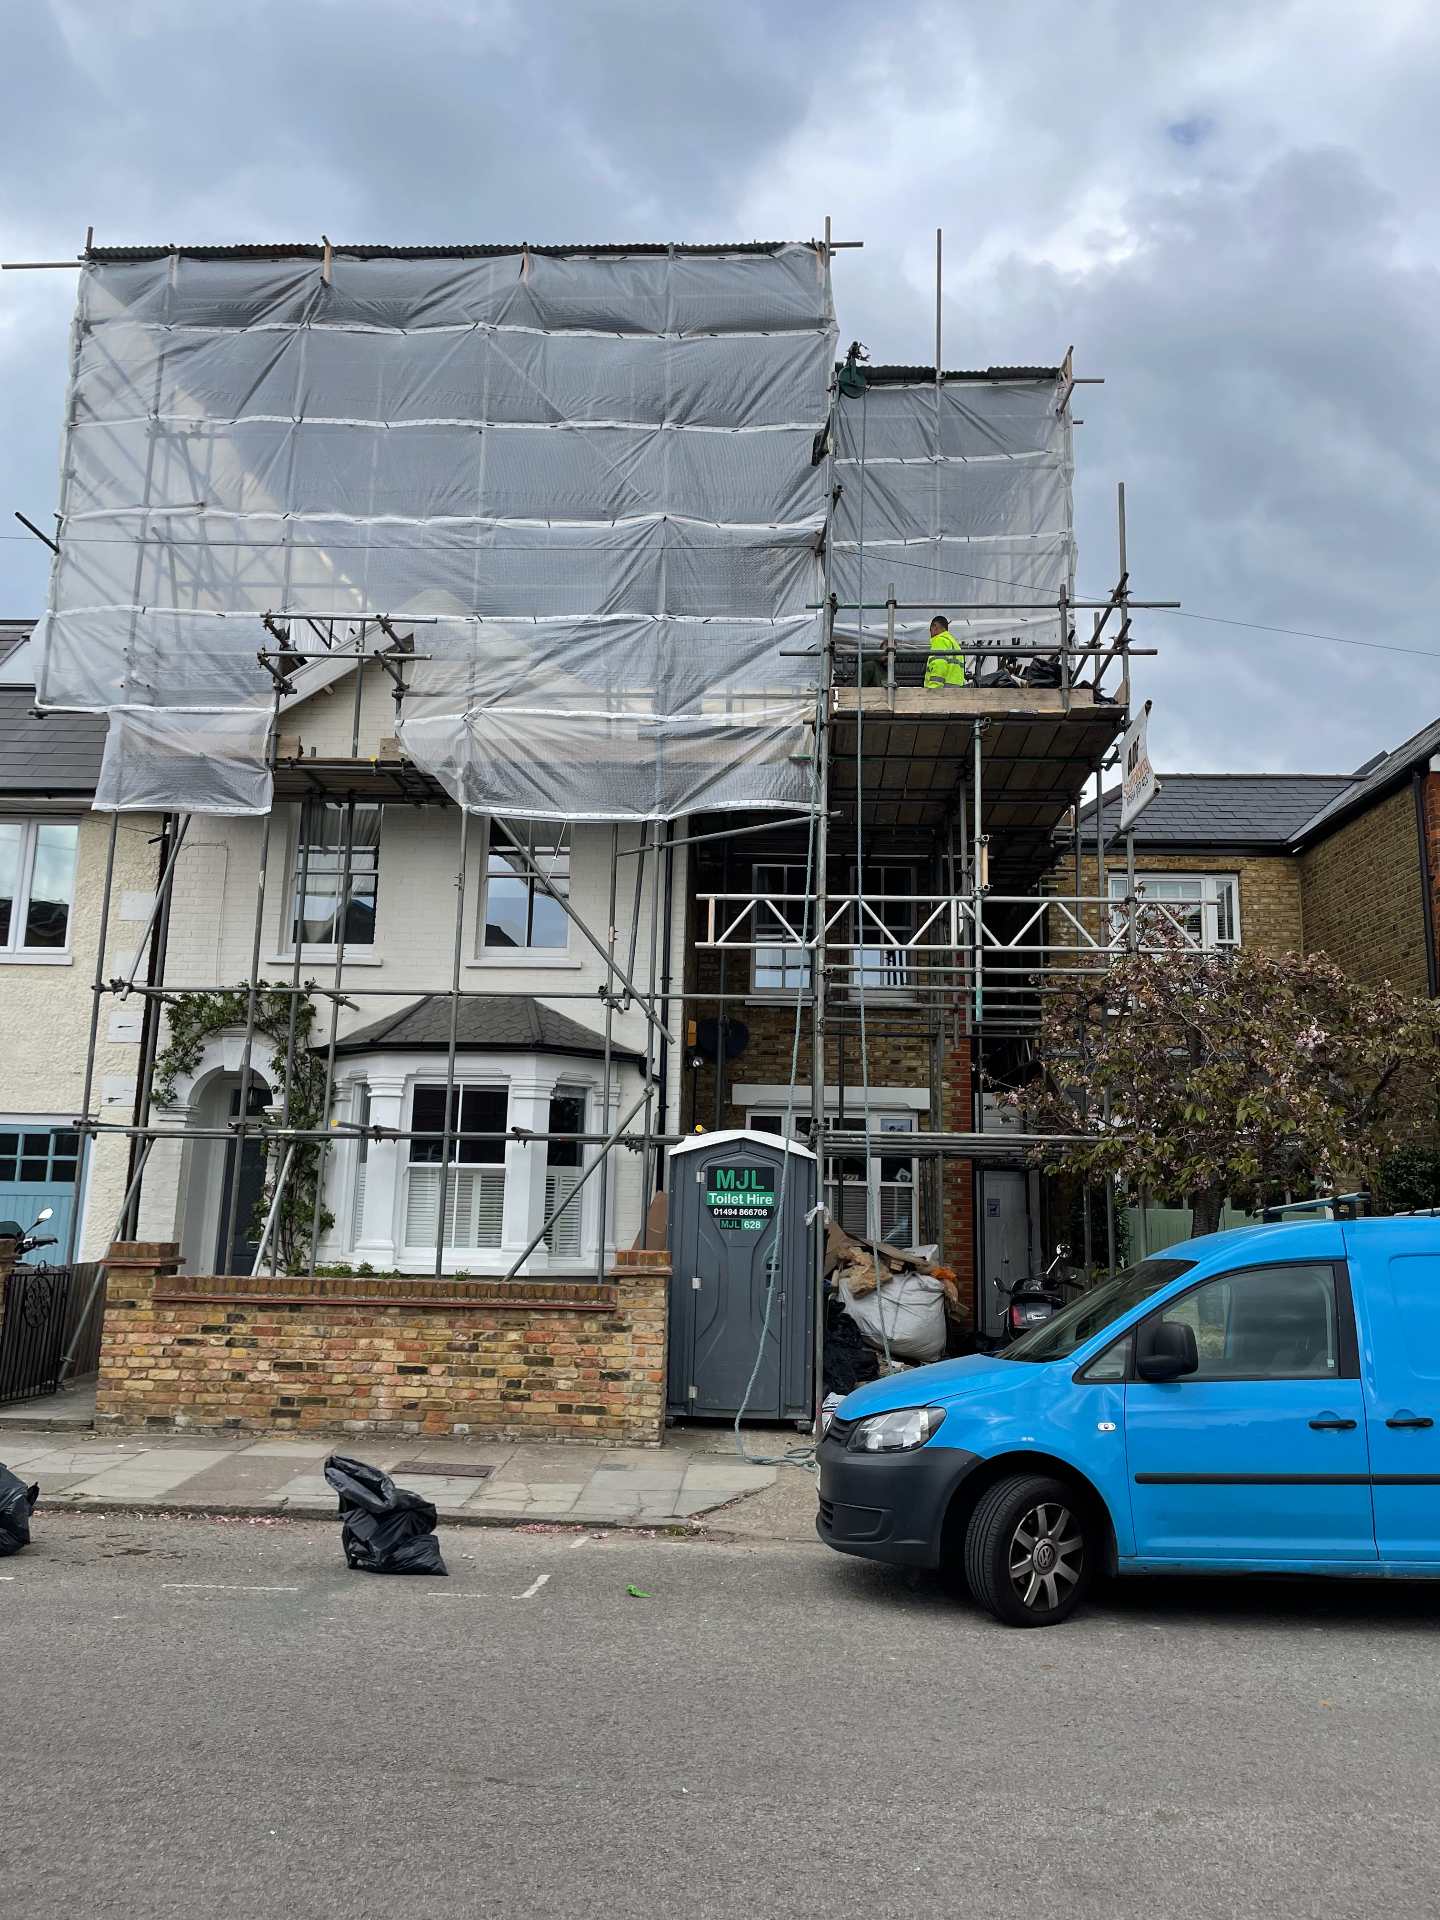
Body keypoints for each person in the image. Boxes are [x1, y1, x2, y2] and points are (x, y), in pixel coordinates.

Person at [924, 615, 966, 689]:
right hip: (957, 690)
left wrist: (933, 689)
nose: (931, 635)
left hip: (943, 691)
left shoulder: (939, 641)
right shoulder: (955, 644)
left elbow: (938, 665)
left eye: (930, 630)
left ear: (935, 627)